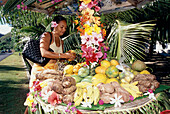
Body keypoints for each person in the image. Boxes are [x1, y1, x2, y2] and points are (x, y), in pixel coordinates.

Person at [29, 15, 76, 88]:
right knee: (39, 94)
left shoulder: (61, 41)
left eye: (65, 28)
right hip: (41, 71)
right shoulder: (47, 35)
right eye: (61, 27)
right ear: (55, 26)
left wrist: (68, 56)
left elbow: (58, 57)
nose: (64, 30)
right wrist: (63, 55)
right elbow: (44, 53)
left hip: (53, 72)